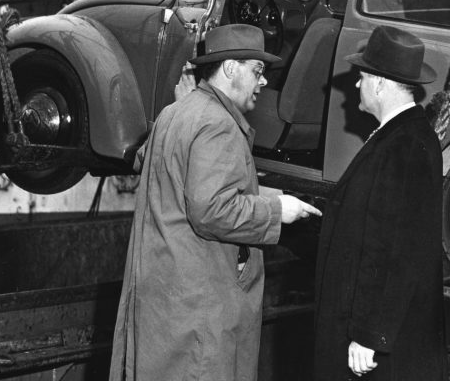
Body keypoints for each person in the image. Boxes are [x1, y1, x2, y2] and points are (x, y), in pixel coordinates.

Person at [109, 24, 321, 381]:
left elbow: (165, 172)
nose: (263, 82)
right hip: (198, 308)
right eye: (257, 71)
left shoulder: (175, 113)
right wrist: (277, 211)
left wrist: (272, 196)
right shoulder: (217, 123)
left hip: (166, 299)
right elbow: (211, 210)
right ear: (230, 68)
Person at [313, 25, 447, 380]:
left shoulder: (404, 145)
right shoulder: (403, 136)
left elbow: (397, 248)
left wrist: (369, 335)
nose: (357, 84)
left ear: (379, 83)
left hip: (380, 342)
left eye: (362, 76)